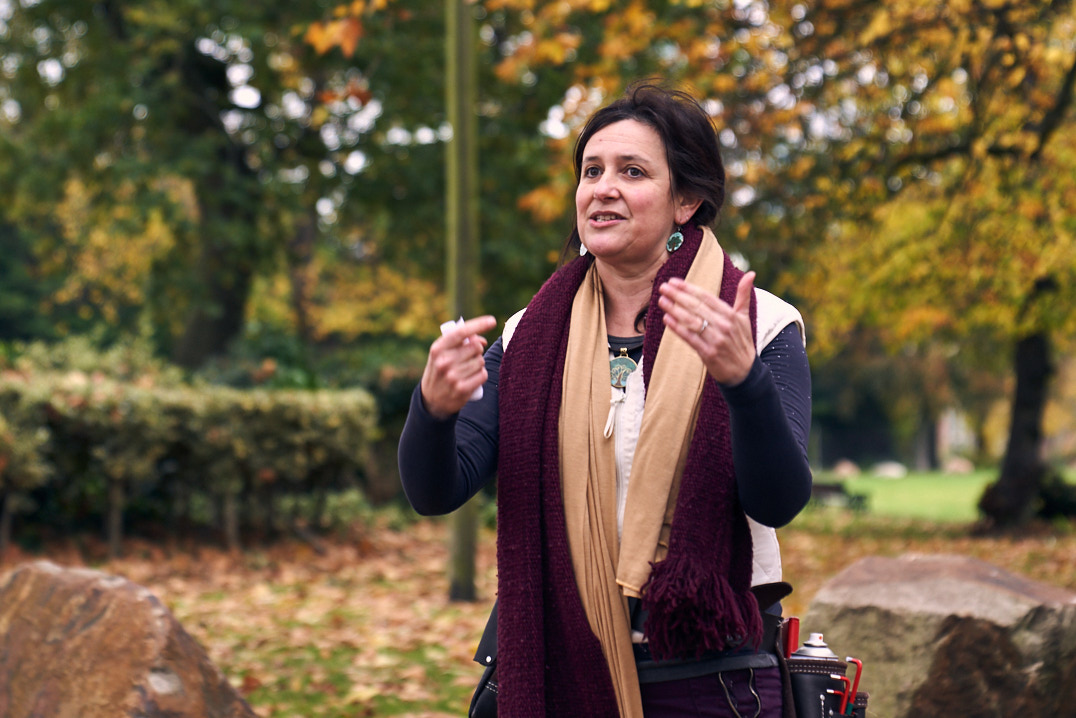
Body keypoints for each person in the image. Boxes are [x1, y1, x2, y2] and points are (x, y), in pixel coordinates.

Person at [398, 81, 812, 717]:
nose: (603, 187)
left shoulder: (759, 326)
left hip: (709, 680)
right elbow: (436, 490)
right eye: (591, 170)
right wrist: (432, 409)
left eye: (633, 171)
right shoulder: (527, 335)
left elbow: (778, 500)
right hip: (557, 664)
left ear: (687, 201)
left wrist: (743, 383)